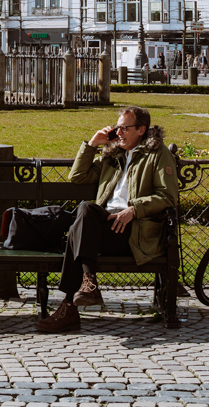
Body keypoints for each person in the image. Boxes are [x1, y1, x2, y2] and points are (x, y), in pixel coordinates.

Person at [35, 106, 179, 333]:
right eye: (117, 127)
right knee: (85, 212)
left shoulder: (157, 154)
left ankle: (69, 308)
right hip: (105, 227)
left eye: (125, 128)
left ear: (141, 129)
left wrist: (134, 209)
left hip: (134, 231)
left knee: (76, 232)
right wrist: (92, 144)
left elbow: (168, 197)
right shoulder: (113, 156)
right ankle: (87, 282)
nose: (118, 132)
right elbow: (78, 176)